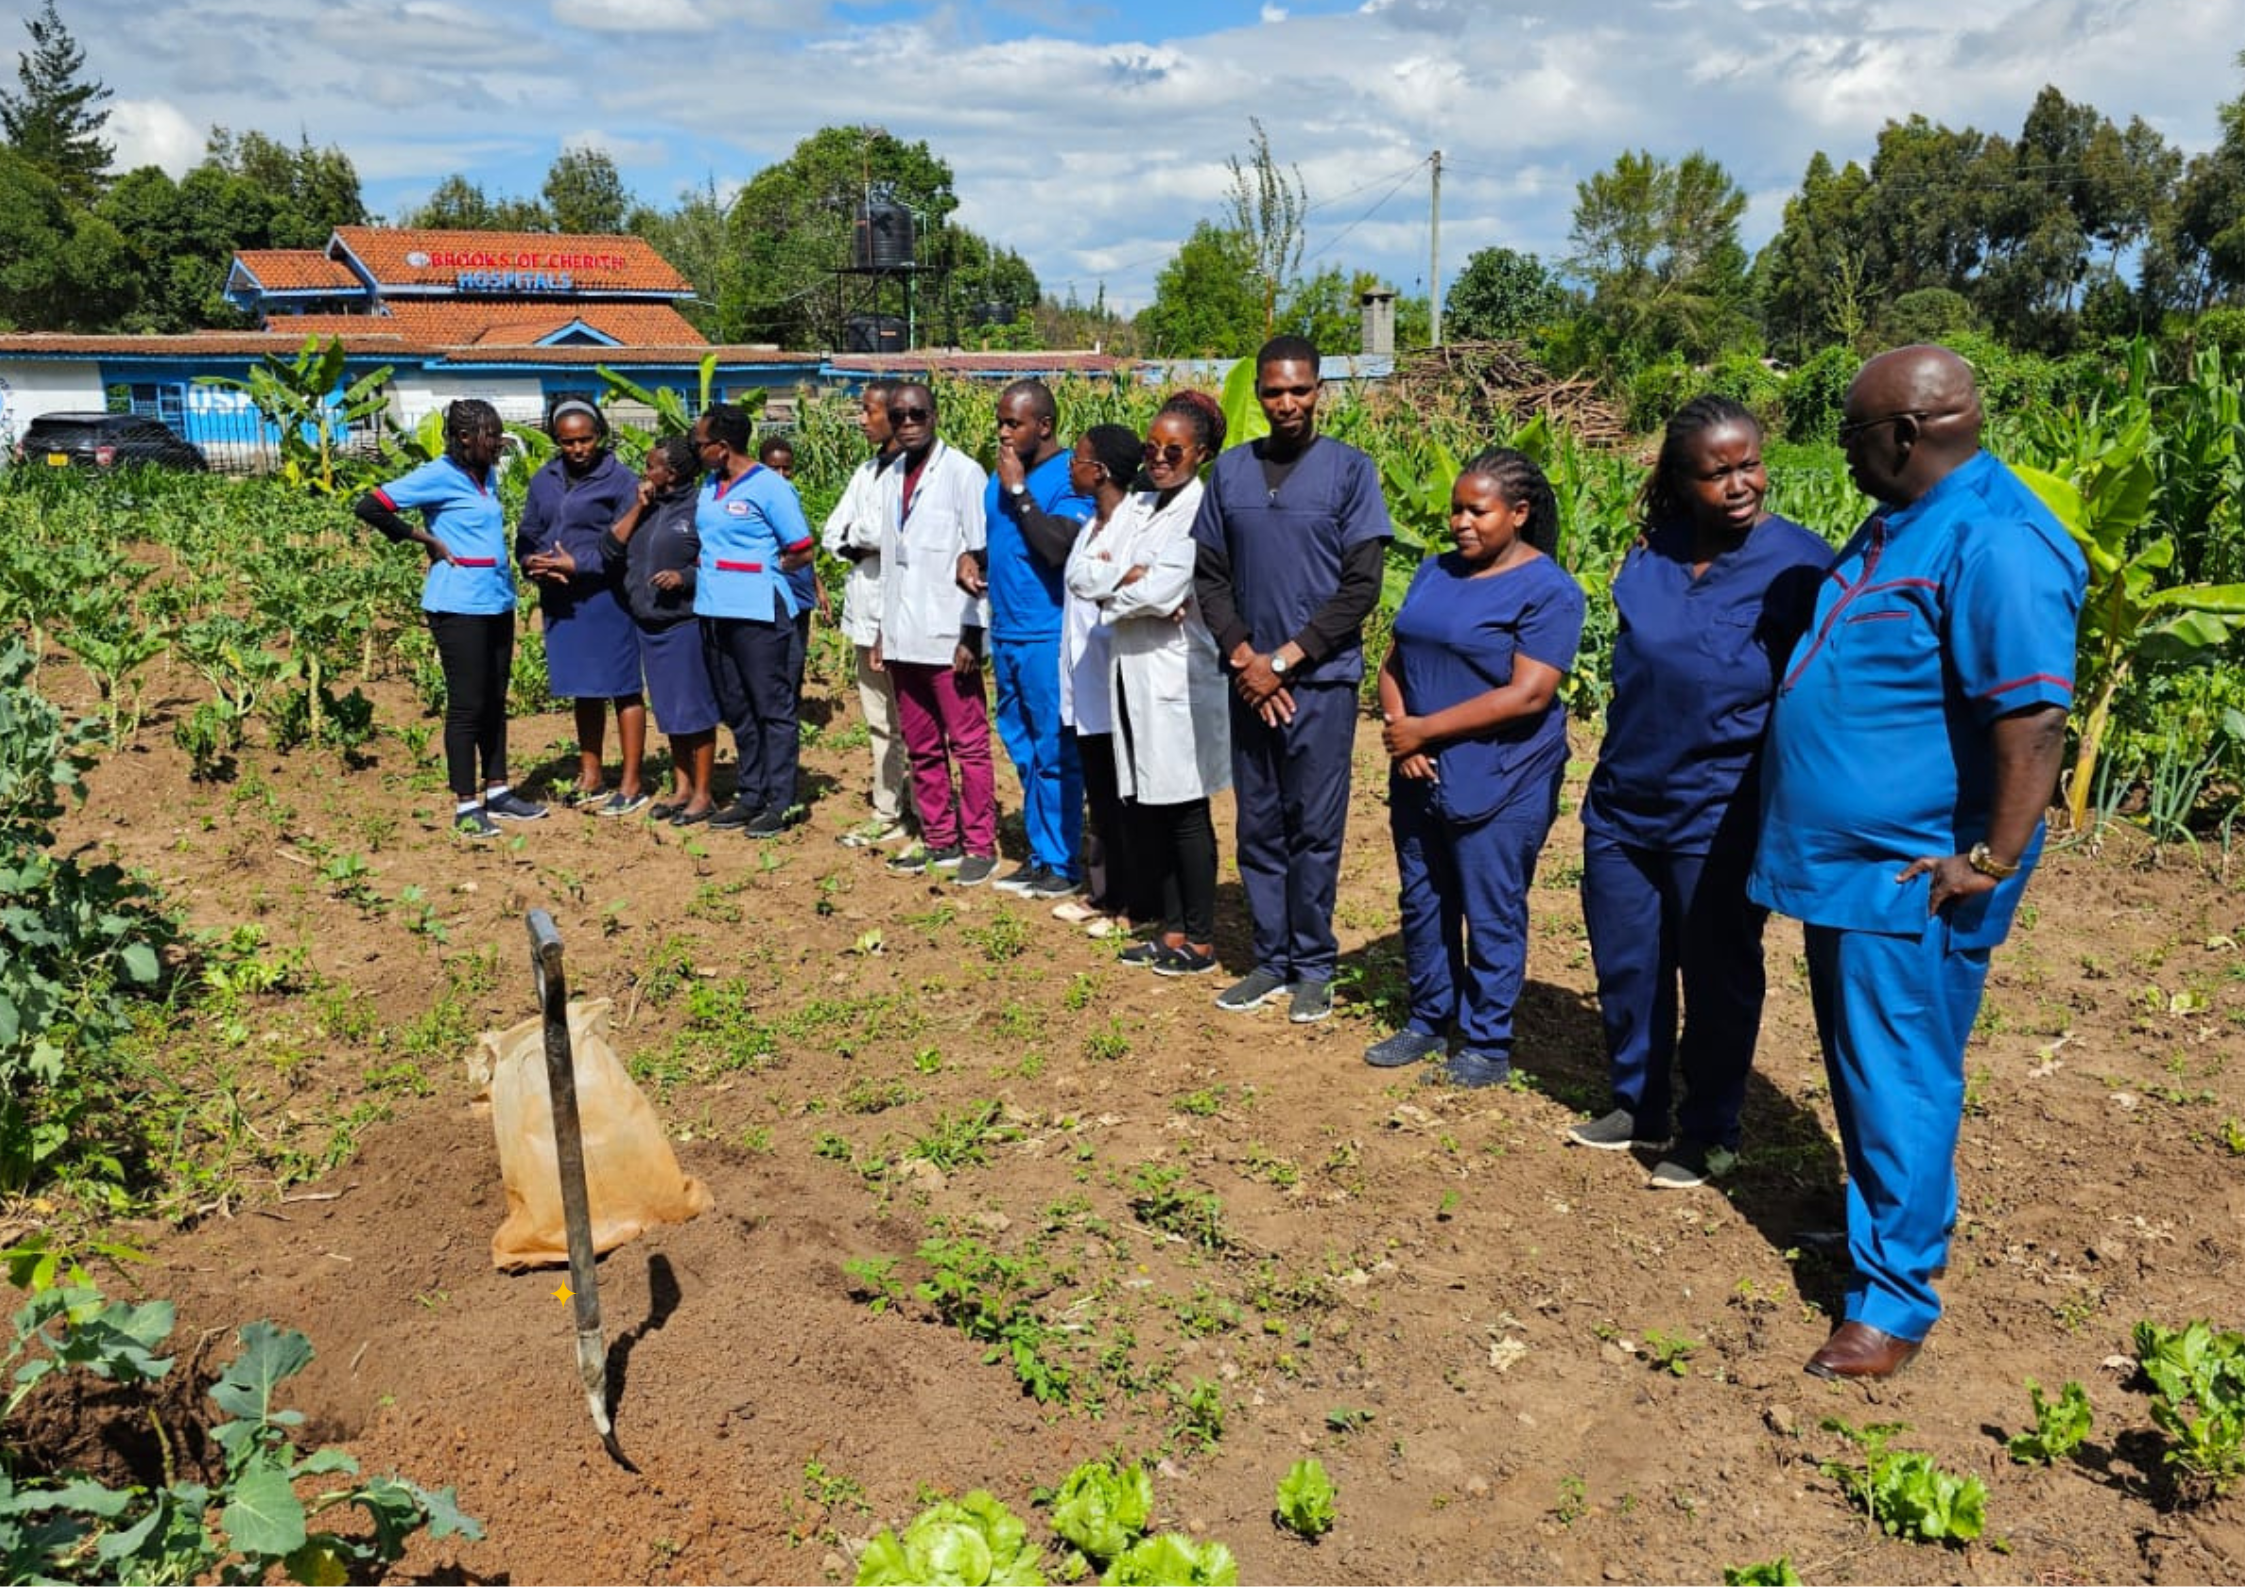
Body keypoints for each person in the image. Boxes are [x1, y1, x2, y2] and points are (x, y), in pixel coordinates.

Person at [1750, 345, 2085, 1380]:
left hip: (1913, 872)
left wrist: (1989, 855)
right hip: (1852, 865)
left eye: (1852, 436)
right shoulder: (1909, 518)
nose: (1843, 456)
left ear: (1903, 434)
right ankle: (1874, 1223)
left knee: (1899, 1069)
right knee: (1862, 1059)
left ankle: (1892, 1300)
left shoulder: (1996, 542)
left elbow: (2031, 717)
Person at [1570, 397, 1832, 1187]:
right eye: (1716, 471)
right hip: (1622, 798)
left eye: (1748, 463)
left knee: (1715, 973)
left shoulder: (1799, 566)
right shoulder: (1650, 553)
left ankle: (1709, 1127)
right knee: (1626, 961)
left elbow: (1818, 695)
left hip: (1718, 811)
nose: (1738, 482)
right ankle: (1636, 1102)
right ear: (1681, 481)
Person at [1192, 336, 1393, 1023]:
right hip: (1248, 683)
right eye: (1273, 391)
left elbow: (1360, 585)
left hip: (1320, 682)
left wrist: (1285, 659)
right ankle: (1269, 959)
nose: (1285, 403)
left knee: (1313, 825)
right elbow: (1210, 576)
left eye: (1298, 389)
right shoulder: (1228, 474)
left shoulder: (1348, 472)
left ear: (1317, 391)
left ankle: (1312, 964)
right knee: (1258, 824)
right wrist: (1245, 656)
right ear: (1258, 394)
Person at [1368, 449, 1584, 1087]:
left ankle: (1488, 1040)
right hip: (1420, 772)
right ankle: (1429, 1019)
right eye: (1456, 509)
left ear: (1518, 513)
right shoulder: (1437, 572)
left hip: (1502, 775)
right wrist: (1404, 739)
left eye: (1477, 511)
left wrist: (1423, 731)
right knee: (1424, 897)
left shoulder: (1549, 590)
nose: (1461, 522)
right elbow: (1393, 658)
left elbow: (1530, 694)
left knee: (1491, 906)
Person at [1070, 393, 1233, 974]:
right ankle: (1169, 931)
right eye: (1151, 448)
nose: (1160, 459)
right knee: (1149, 807)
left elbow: (1165, 589)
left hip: (1177, 678)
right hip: (1131, 672)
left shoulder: (1201, 509)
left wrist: (1130, 587)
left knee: (1185, 808)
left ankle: (1202, 938)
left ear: (1202, 454)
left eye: (1174, 450)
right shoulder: (1138, 504)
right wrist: (1128, 579)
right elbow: (1080, 572)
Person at [354, 399, 546, 839]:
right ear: (464, 438)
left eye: (498, 434)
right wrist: (426, 539)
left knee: (496, 698)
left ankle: (498, 790)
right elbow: (371, 507)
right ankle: (466, 804)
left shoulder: (486, 474)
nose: (497, 443)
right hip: (457, 603)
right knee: (467, 705)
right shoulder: (438, 475)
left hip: (496, 599)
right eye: (490, 436)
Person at [959, 379, 1097, 901]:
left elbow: (1059, 548)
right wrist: (972, 560)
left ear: (1043, 425)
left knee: (1054, 749)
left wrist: (1018, 490)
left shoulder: (1067, 477)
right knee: (1021, 746)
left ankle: (1061, 861)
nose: (1002, 431)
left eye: (1012, 422)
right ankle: (1039, 855)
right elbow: (1001, 545)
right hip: (1008, 630)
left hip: (1049, 633)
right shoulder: (999, 479)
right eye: (1000, 421)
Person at [873, 382, 999, 887]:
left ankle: (979, 843)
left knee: (968, 745)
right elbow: (888, 562)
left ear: (935, 414)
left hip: (950, 635)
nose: (907, 423)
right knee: (921, 746)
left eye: (916, 414)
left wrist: (972, 631)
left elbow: (980, 554)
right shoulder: (891, 475)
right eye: (898, 415)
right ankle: (939, 836)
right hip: (905, 635)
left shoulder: (964, 473)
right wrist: (884, 629)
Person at [689, 403, 817, 837]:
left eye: (700, 443)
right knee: (737, 706)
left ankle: (781, 801)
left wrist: (764, 570)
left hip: (760, 611)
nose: (695, 449)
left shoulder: (770, 487)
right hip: (715, 610)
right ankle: (750, 793)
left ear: (723, 448)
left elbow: (801, 547)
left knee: (772, 707)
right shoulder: (710, 485)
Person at [1055, 422, 1160, 937]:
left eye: (1077, 460)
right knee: (1101, 793)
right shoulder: (1088, 526)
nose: (1070, 467)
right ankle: (1104, 894)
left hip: (1120, 676)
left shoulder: (1138, 522)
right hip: (1086, 681)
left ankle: (1137, 905)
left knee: (1128, 800)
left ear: (1098, 472)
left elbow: (1140, 581)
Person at [519, 400, 647, 814]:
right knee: (583, 687)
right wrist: (531, 563)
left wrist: (581, 564)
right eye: (568, 441)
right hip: (562, 601)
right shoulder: (544, 480)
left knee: (622, 687)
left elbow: (629, 543)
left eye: (585, 439)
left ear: (600, 435)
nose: (577, 448)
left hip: (607, 598)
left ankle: (630, 781)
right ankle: (591, 773)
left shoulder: (621, 481)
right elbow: (528, 531)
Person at [602, 436, 720, 825]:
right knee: (670, 713)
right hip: (648, 624)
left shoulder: (700, 508)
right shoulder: (646, 507)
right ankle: (682, 787)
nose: (645, 471)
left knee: (695, 712)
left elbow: (720, 562)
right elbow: (610, 549)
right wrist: (638, 506)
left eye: (652, 465)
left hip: (684, 624)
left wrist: (685, 577)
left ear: (672, 473)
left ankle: (703, 793)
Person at [820, 380, 914, 847]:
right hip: (864, 612)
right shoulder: (866, 471)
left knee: (911, 720)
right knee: (879, 718)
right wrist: (859, 539)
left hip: (900, 616)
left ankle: (912, 808)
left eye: (867, 410)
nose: (861, 418)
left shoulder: (913, 473)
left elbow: (886, 533)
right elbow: (832, 532)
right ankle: (889, 806)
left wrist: (859, 537)